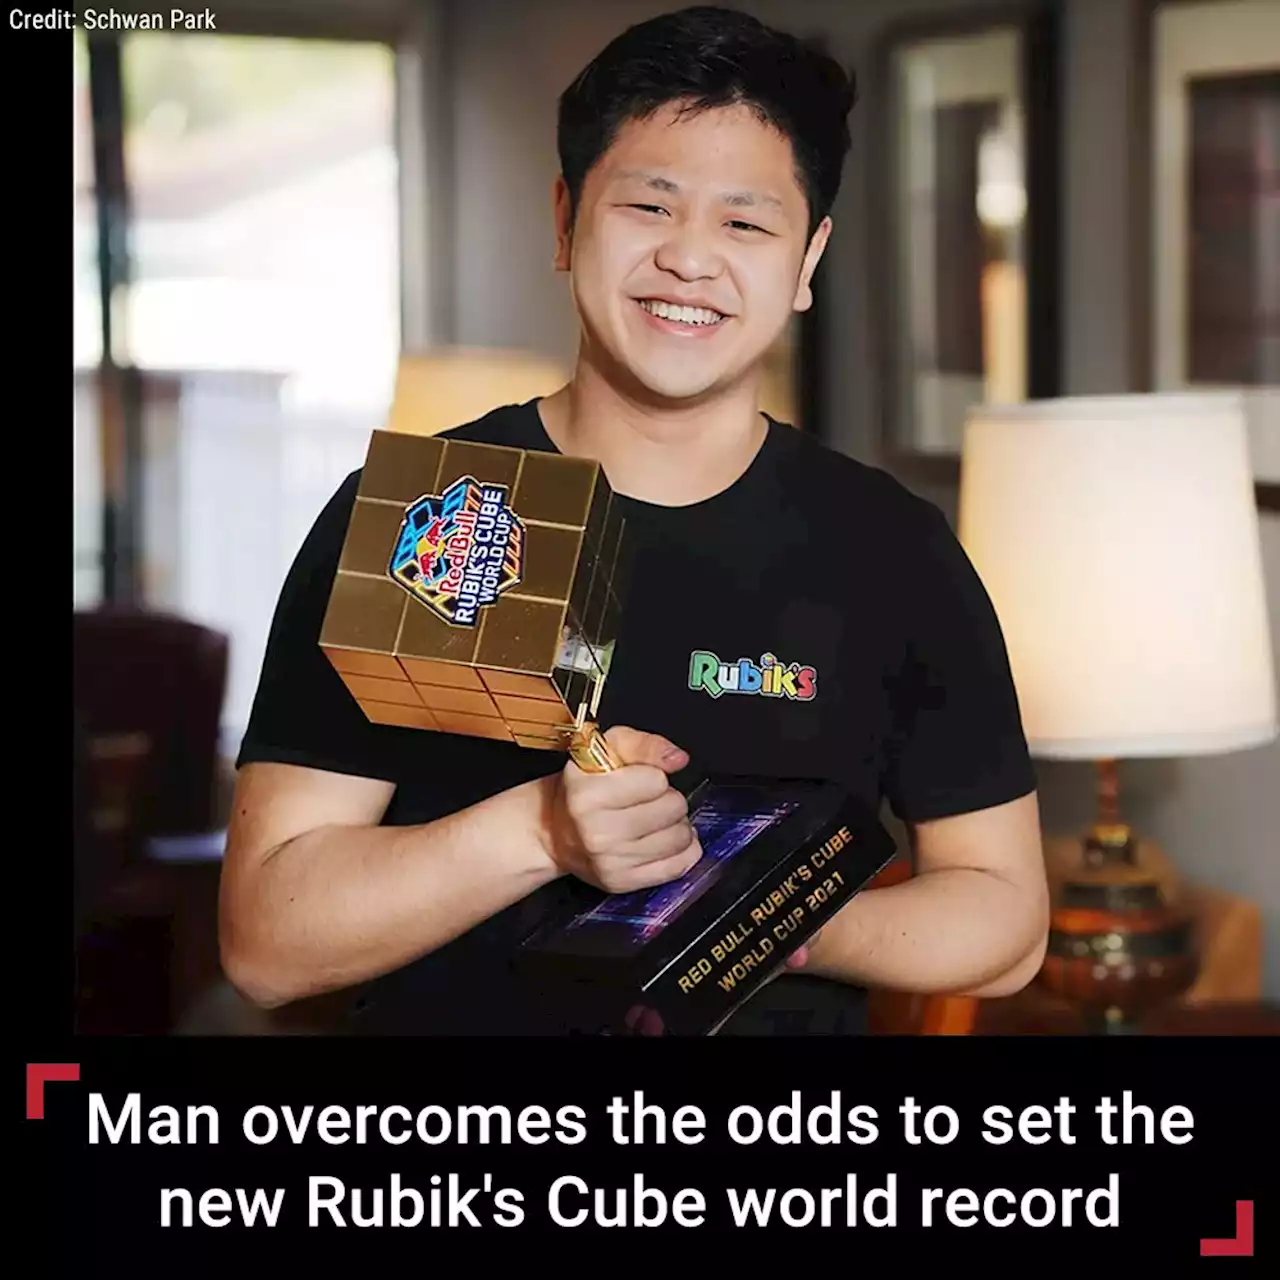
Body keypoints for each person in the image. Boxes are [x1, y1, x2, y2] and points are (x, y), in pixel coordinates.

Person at [219, 5, 1047, 1035]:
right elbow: (264, 944)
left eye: (744, 223)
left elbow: (1006, 922)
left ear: (805, 261)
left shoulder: (889, 546)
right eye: (648, 207)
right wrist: (542, 829)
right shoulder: (421, 517)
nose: (690, 260)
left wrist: (755, 912)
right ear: (565, 219)